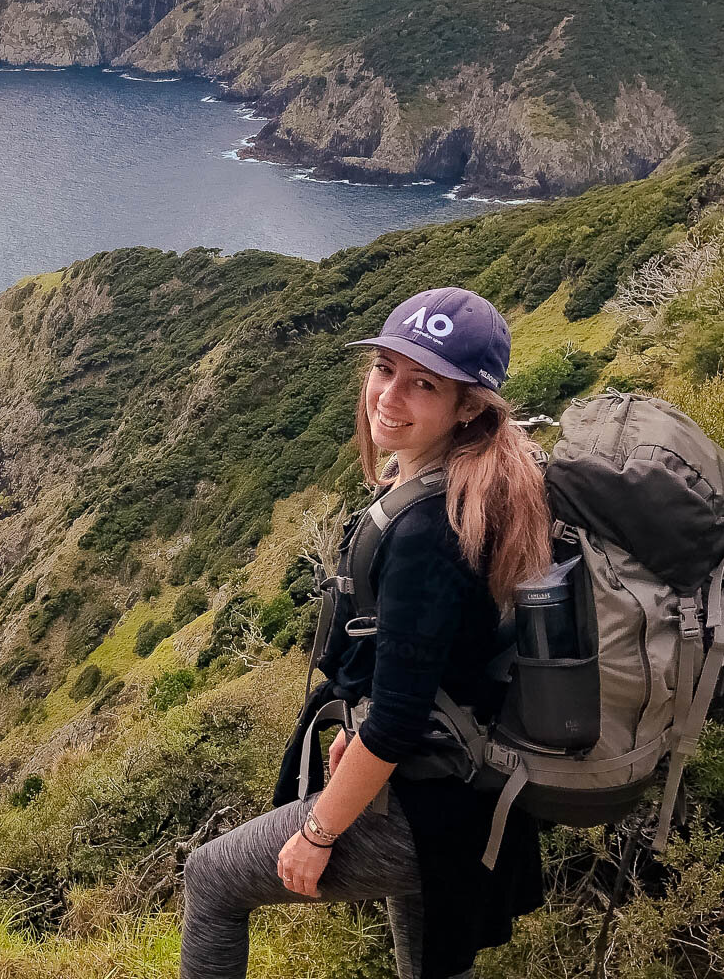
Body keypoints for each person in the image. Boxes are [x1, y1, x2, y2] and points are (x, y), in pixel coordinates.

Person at [180, 287, 549, 979]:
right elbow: (436, 662)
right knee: (428, 960)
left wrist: (318, 834)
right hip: (462, 793)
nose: (389, 395)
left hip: (426, 804)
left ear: (468, 406)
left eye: (423, 384)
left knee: (212, 879)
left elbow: (400, 721)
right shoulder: (471, 487)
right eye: (384, 369)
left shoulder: (429, 529)